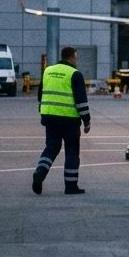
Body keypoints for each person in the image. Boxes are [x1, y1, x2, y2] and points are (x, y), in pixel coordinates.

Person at [32, 46, 91, 195]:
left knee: (51, 148)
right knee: (72, 151)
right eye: (76, 58)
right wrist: (86, 120)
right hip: (69, 119)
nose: (76, 61)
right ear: (71, 57)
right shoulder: (75, 74)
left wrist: (43, 110)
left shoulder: (48, 71)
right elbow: (81, 100)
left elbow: (40, 95)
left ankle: (40, 172)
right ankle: (71, 186)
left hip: (50, 118)